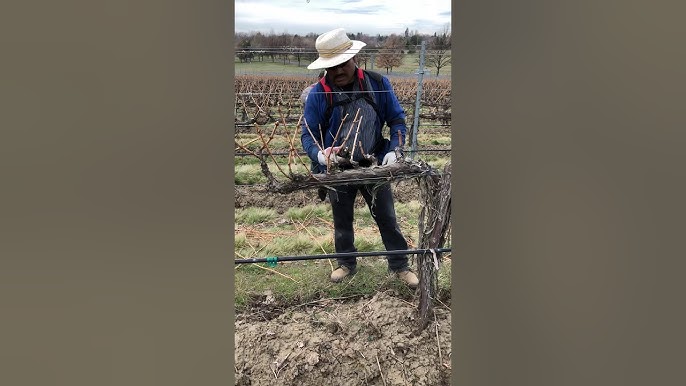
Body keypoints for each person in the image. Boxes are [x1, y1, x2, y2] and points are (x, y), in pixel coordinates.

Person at [300, 28, 419, 288]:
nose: (338, 71)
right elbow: (307, 136)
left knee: (386, 216)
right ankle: (346, 263)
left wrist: (393, 150)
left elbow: (397, 120)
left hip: (374, 162)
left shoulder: (377, 84)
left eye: (343, 64)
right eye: (332, 67)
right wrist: (321, 155)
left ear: (355, 58)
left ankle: (399, 265)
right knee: (342, 220)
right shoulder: (318, 94)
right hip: (338, 169)